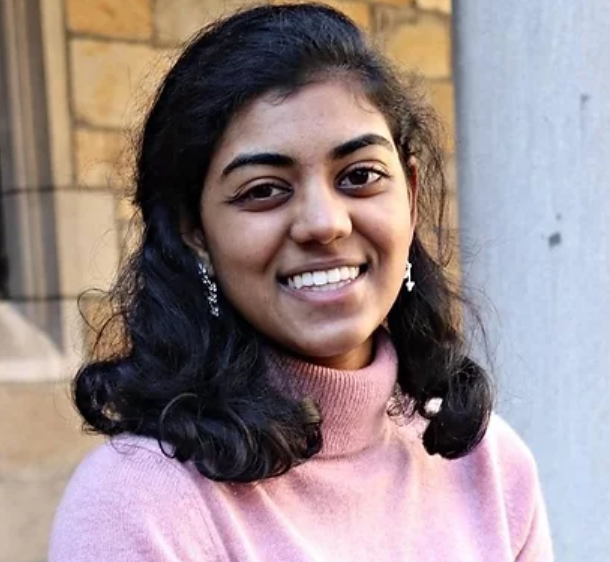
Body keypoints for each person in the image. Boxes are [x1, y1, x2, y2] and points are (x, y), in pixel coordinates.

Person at [49, 3, 553, 561]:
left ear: (409, 197)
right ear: (196, 232)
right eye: (264, 190)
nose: (324, 223)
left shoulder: (491, 469)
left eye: (359, 176)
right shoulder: (139, 504)